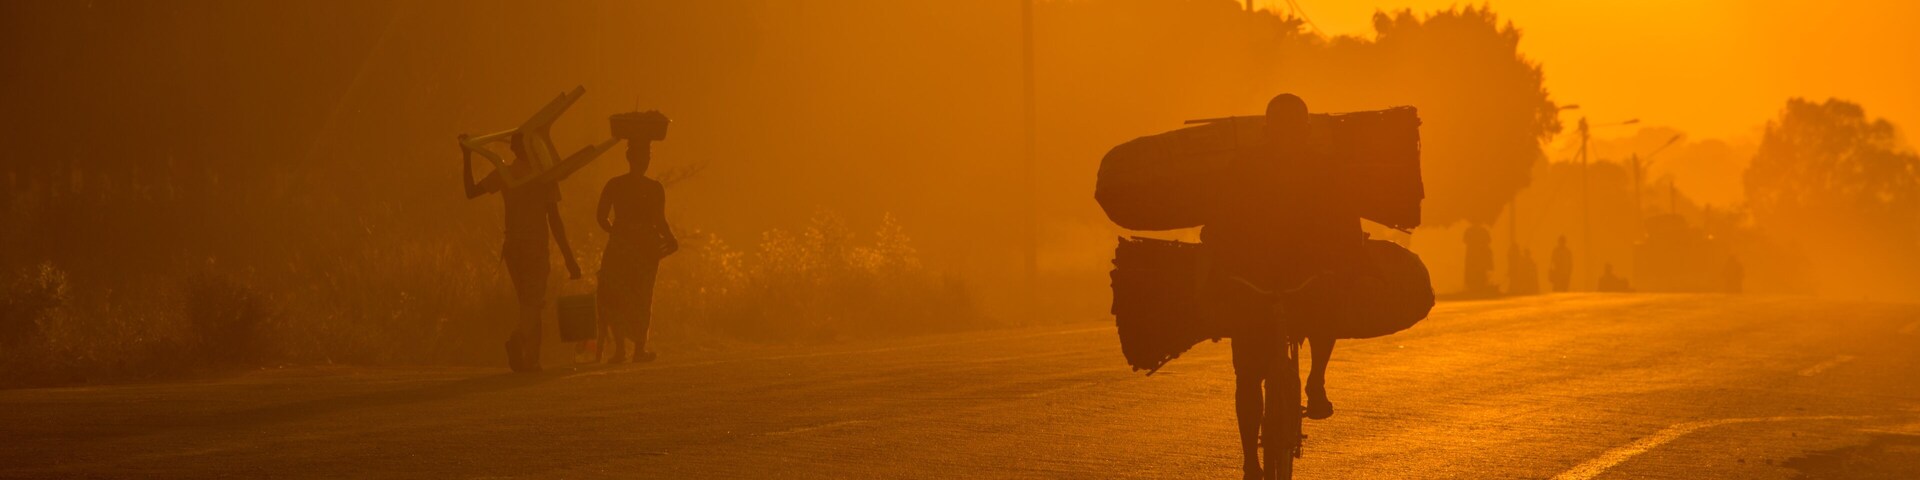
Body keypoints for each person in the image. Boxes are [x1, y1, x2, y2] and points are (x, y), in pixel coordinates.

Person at [1202, 93, 1359, 478]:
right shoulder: (1252, 168)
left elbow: (1342, 222)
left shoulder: (1314, 169)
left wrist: (1339, 262)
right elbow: (1221, 222)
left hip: (1291, 278)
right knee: (1250, 373)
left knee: (1251, 373)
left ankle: (1314, 383)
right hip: (1257, 280)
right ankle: (1252, 458)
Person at [463, 133, 583, 373]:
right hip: (535, 246)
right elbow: (555, 221)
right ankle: (518, 340)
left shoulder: (505, 173)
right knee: (533, 303)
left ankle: (531, 360)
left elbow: (471, 191)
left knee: (529, 304)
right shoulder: (544, 176)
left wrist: (466, 156)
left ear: (514, 150)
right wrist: (569, 258)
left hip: (513, 246)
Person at [595, 138, 678, 363]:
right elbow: (659, 221)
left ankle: (623, 349)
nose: (646, 161)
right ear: (634, 159)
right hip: (644, 247)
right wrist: (670, 239)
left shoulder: (615, 184)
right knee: (640, 295)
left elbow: (601, 218)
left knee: (618, 295)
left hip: (622, 246)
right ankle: (636, 349)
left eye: (648, 157)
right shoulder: (653, 187)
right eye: (645, 157)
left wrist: (619, 233)